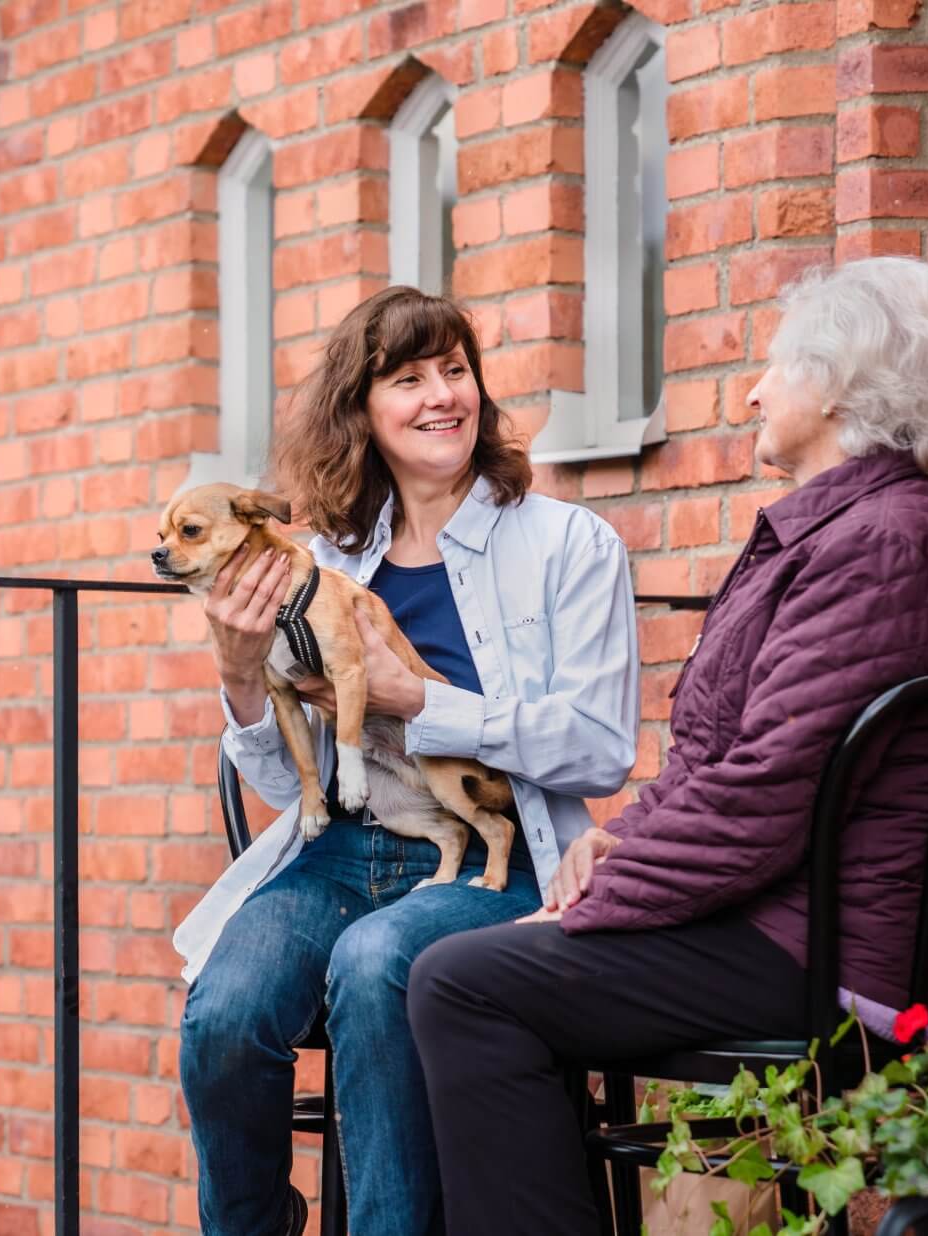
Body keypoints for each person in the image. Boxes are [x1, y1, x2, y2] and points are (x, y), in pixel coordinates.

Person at [407, 256, 928, 1236]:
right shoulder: (846, 533)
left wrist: (599, 902)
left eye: (776, 365)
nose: (753, 389)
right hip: (790, 918)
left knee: (465, 983)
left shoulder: (880, 547)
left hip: (843, 952)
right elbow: (721, 763)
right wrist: (615, 846)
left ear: (836, 387)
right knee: (471, 969)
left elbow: (767, 791)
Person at [173, 286, 640, 1236]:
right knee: (225, 1010)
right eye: (407, 378)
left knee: (377, 960)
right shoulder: (326, 560)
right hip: (341, 854)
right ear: (363, 412)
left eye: (455, 371)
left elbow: (598, 750)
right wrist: (239, 676)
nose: (441, 396)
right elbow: (278, 784)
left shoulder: (566, 544)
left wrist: (421, 701)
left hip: (496, 860)